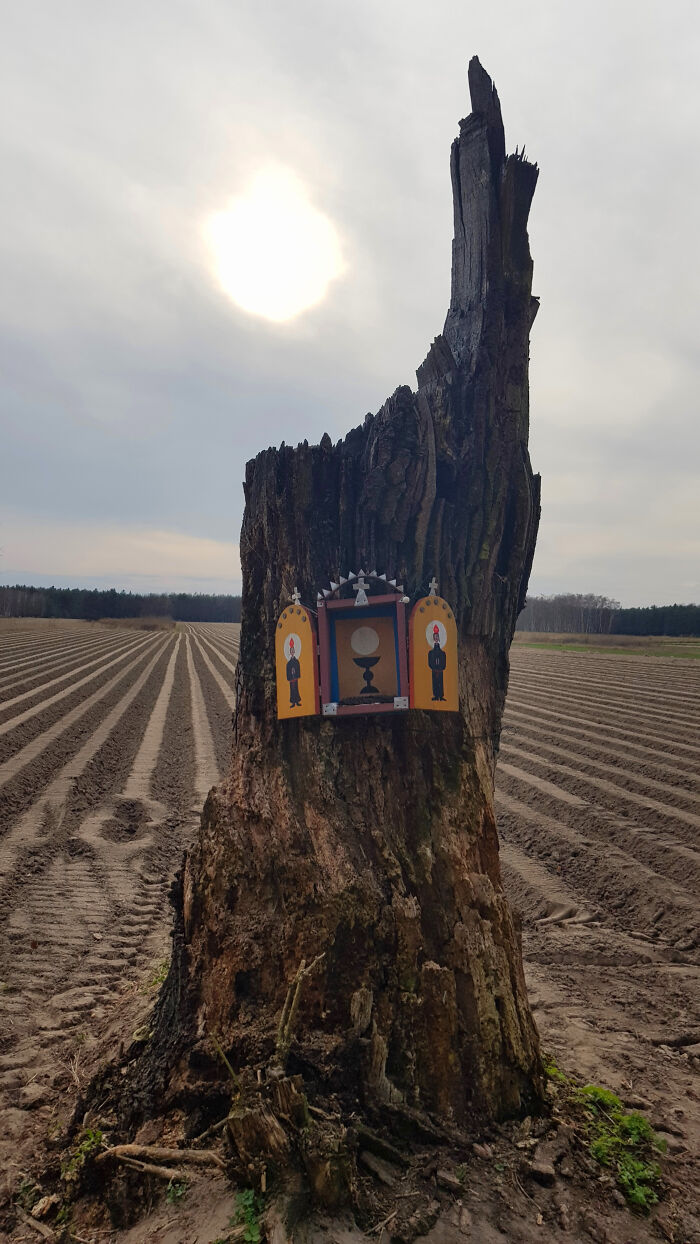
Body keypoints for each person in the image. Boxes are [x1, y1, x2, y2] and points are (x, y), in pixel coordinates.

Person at [427, 624, 446, 701]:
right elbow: (430, 661)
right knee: (434, 682)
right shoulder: (431, 652)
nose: (436, 638)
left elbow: (444, 661)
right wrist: (433, 667)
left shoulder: (442, 652)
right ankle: (435, 695)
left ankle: (441, 696)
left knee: (440, 682)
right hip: (434, 669)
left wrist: (441, 667)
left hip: (440, 669)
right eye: (434, 637)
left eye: (437, 637)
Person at [286, 637, 302, 707]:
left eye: (293, 651)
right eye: (291, 651)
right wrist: (290, 674)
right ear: (290, 652)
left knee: (296, 689)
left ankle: (297, 701)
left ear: (294, 651)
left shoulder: (296, 661)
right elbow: (287, 670)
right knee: (292, 690)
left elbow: (298, 668)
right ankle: (293, 702)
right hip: (291, 679)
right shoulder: (288, 663)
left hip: (295, 678)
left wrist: (295, 672)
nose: (292, 652)